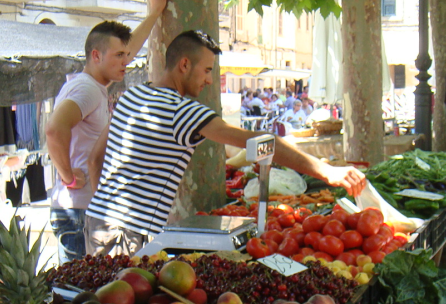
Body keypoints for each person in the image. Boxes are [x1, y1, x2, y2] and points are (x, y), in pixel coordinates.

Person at [85, 30, 366, 255]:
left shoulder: (132, 95)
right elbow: (259, 142)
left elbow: (95, 159)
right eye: (207, 71)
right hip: (128, 235)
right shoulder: (182, 111)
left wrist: (106, 207)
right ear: (184, 65)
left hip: (97, 222)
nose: (210, 80)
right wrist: (327, 171)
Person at [44, 2, 166, 264]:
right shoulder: (87, 89)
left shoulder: (92, 84)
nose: (126, 61)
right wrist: (68, 176)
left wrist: (154, 14)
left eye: (126, 55)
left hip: (79, 210)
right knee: (78, 295)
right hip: (77, 211)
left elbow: (128, 48)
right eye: (119, 56)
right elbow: (54, 130)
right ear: (96, 56)